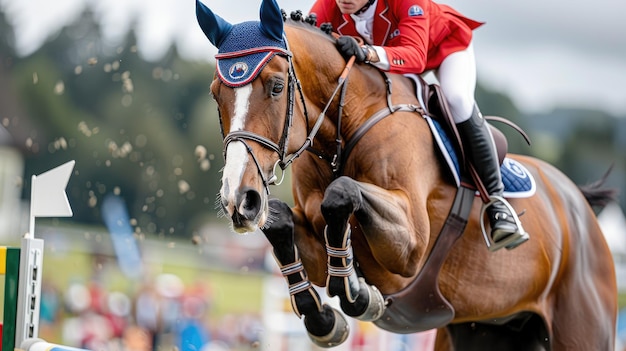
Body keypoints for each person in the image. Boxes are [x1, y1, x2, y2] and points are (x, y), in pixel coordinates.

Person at [309, 0, 527, 250]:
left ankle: (497, 202)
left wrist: (369, 52)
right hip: (389, 61)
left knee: (457, 99)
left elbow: (415, 56)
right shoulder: (326, 6)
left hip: (443, 48)